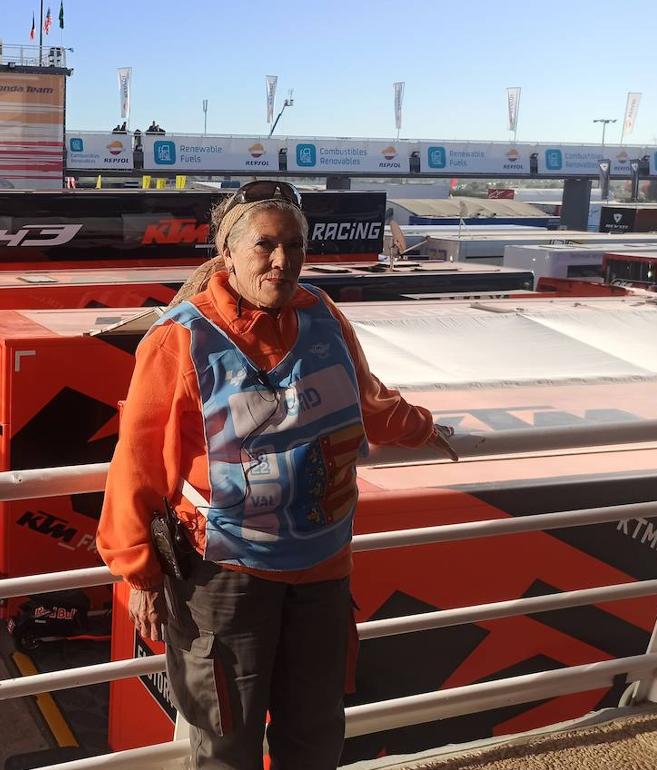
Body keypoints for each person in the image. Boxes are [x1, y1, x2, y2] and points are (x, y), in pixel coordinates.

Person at [96, 180, 457, 770]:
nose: (282, 260)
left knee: (314, 735)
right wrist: (139, 573)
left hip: (323, 569)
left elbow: (365, 397)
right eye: (265, 244)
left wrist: (422, 427)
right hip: (226, 579)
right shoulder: (181, 338)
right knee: (227, 744)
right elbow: (136, 462)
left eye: (294, 245)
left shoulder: (322, 316)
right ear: (228, 252)